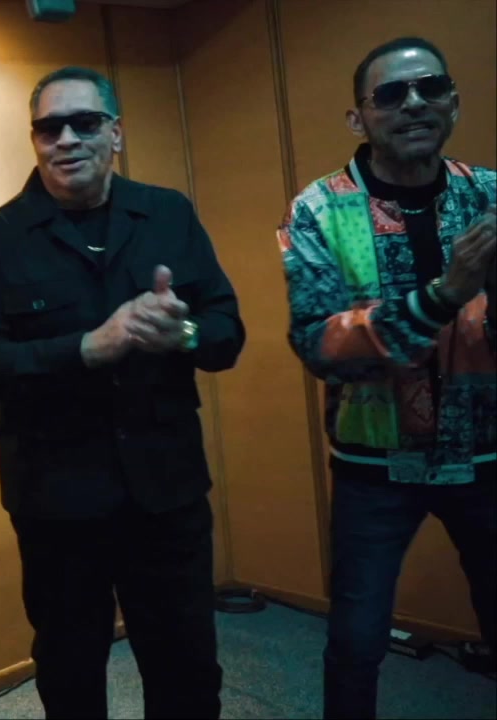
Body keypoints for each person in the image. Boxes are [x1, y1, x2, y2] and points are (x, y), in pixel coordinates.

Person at [0, 67, 244, 719]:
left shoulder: (168, 213)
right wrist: (87, 347)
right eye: (49, 128)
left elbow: (226, 333)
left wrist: (184, 333)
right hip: (56, 504)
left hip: (166, 493)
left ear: (115, 133)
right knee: (70, 674)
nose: (66, 139)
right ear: (35, 140)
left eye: (84, 123)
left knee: (187, 670)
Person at [276, 37, 496, 719]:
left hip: (487, 458)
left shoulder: (489, 194)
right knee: (355, 642)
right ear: (359, 117)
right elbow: (319, 344)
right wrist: (445, 295)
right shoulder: (318, 209)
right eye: (392, 94)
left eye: (431, 88)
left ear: (453, 100)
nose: (414, 103)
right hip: (373, 468)